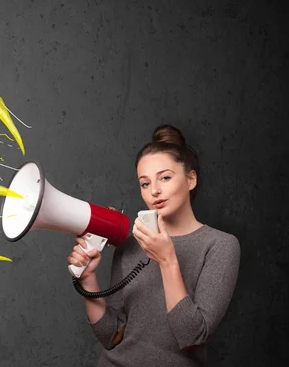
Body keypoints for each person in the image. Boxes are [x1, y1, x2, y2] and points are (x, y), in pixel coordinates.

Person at [67, 124, 240, 366]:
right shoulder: (129, 247)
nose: (155, 192)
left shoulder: (220, 246)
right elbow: (111, 337)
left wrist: (168, 261)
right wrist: (88, 281)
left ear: (191, 180)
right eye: (145, 183)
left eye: (165, 178)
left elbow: (192, 336)